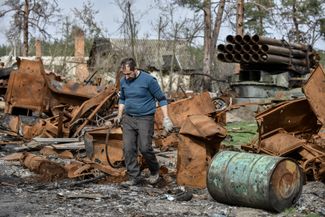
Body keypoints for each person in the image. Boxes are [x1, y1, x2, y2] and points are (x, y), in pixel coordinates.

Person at [114, 57, 173, 186]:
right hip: (129, 118)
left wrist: (166, 118)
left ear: (135, 69)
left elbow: (161, 99)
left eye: (129, 74)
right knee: (128, 148)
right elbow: (122, 99)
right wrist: (119, 115)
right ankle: (135, 177)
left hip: (145, 118)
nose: (127, 77)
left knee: (145, 148)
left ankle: (154, 170)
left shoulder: (149, 80)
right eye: (125, 74)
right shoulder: (124, 81)